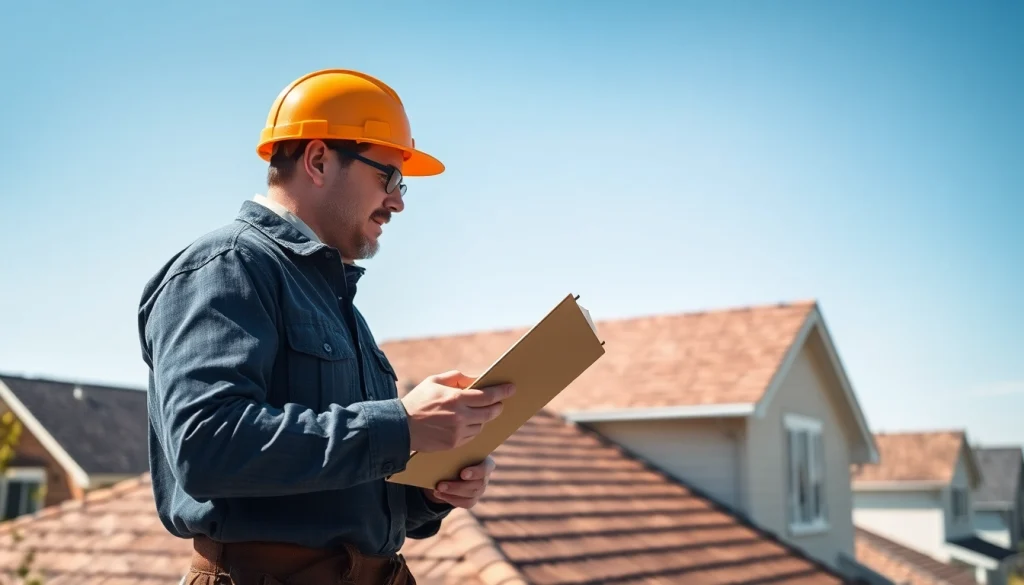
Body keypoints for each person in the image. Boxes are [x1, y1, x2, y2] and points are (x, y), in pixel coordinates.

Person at [137, 68, 515, 585]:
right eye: (389, 178)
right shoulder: (228, 266)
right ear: (318, 160)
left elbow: (344, 489)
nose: (399, 201)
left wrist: (428, 492)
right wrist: (401, 425)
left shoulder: (335, 302)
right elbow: (208, 445)